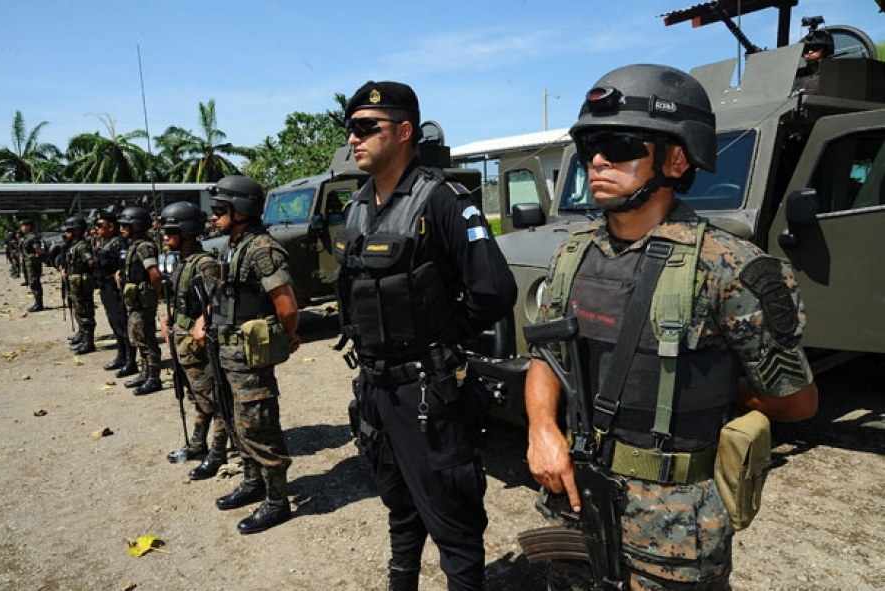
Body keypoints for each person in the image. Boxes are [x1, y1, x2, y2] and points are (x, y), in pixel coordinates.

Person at [524, 64, 819, 591]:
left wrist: (711, 390)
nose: (596, 159)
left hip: (676, 524)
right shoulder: (571, 256)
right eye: (591, 143)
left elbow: (797, 401)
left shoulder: (729, 267)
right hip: (576, 496)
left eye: (618, 145)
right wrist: (543, 429)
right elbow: (547, 360)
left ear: (676, 157)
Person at [334, 81, 517, 591]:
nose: (354, 138)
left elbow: (495, 290)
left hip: (427, 394)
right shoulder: (357, 207)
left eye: (367, 127)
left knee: (453, 522)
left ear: (404, 131)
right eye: (351, 128)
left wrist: (445, 342)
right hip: (376, 390)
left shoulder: (443, 201)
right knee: (400, 507)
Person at [194, 175, 301, 535]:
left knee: (259, 425)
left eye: (221, 209)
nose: (214, 216)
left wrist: (286, 336)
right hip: (224, 351)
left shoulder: (261, 249)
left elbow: (286, 306)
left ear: (243, 211)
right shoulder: (231, 246)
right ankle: (252, 481)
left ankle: (277, 500)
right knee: (236, 421)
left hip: (248, 357)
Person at [158, 201, 227, 477]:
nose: (165, 237)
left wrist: (202, 322)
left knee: (214, 398)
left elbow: (216, 300)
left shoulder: (205, 264)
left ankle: (218, 451)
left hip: (197, 343)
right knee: (197, 397)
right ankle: (198, 443)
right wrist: (171, 320)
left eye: (170, 231)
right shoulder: (183, 263)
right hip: (181, 339)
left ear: (186, 231)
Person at [117, 206, 163, 395]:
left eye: (125, 225)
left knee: (146, 340)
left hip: (144, 302)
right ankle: (145, 373)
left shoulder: (144, 246)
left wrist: (154, 296)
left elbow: (155, 274)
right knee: (138, 337)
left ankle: (153, 378)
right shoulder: (135, 245)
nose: (121, 229)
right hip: (136, 301)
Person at [94, 207, 138, 377]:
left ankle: (130, 361)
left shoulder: (119, 243)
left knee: (122, 324)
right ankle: (121, 356)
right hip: (105, 288)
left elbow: (124, 264)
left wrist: (120, 273)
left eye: (100, 225)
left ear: (111, 226)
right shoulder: (105, 242)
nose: (97, 229)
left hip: (116, 290)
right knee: (115, 324)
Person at [59, 216, 97, 355]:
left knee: (85, 313)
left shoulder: (82, 246)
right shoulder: (73, 245)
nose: (66, 234)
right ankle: (82, 336)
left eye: (69, 231)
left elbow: (91, 262)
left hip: (82, 285)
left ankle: (88, 342)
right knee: (78, 311)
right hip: (75, 284)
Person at [792, 28, 834, 95]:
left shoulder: (833, 74)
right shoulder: (796, 76)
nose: (810, 52)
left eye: (815, 48)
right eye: (806, 50)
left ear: (826, 51)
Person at [19, 219, 45, 312]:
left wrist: (43, 256)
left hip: (33, 263)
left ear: (29, 227)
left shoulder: (32, 237)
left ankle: (39, 304)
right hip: (28, 262)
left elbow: (37, 249)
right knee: (32, 282)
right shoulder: (26, 237)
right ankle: (37, 302)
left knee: (34, 282)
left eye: (23, 226)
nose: (22, 228)